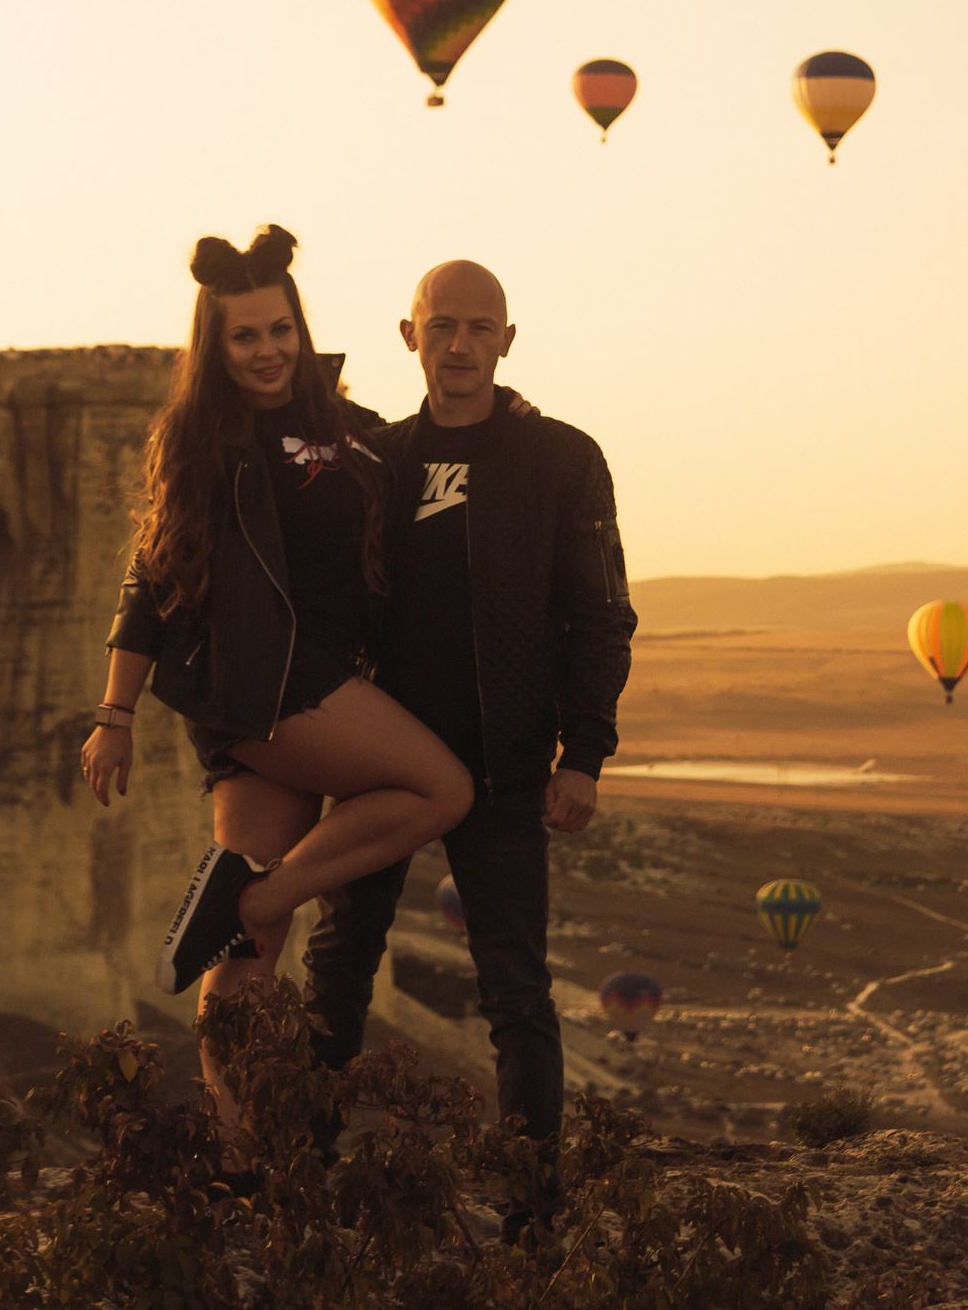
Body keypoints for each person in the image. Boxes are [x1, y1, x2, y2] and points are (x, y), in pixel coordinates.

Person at [83, 225, 474, 1139]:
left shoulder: (351, 427)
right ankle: (259, 892)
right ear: (215, 349)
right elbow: (150, 577)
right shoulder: (205, 438)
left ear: (301, 328)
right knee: (440, 786)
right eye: (244, 336)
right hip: (268, 682)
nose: (267, 351)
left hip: (307, 680)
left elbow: (422, 464)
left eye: (280, 331)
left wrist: (507, 420)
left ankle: (236, 1155)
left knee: (244, 956)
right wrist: (115, 713)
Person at [302, 258, 636, 1239]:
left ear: (507, 340)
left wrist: (584, 756)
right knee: (335, 967)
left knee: (515, 991)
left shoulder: (560, 460)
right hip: (379, 761)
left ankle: (528, 1205)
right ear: (408, 338)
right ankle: (307, 1174)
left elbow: (599, 614)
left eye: (478, 327)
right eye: (439, 325)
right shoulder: (372, 460)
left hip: (502, 764)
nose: (458, 344)